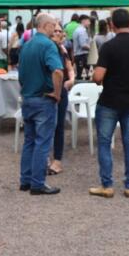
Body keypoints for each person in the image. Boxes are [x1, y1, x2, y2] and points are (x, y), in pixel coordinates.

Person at [90, 9, 129, 198]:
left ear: (112, 25)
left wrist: (95, 77)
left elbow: (98, 77)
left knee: (105, 143)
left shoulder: (109, 47)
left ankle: (107, 185)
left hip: (109, 101)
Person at [18, 13, 63, 195]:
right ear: (45, 25)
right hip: (43, 99)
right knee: (42, 142)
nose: (55, 29)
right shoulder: (48, 45)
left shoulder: (26, 45)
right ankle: (37, 183)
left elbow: (21, 75)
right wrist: (57, 93)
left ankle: (25, 180)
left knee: (29, 141)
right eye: (53, 25)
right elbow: (58, 72)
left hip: (27, 98)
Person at [48, 22, 75, 175]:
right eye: (55, 30)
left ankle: (57, 160)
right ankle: (45, 158)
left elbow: (70, 69)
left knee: (59, 125)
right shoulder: (47, 48)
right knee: (46, 126)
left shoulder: (63, 50)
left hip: (61, 91)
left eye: (60, 31)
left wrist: (71, 80)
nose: (58, 33)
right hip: (48, 91)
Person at [72, 15, 91, 79]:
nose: (89, 23)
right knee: (82, 75)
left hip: (78, 56)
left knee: (81, 74)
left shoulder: (77, 30)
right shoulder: (82, 31)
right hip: (81, 56)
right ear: (83, 21)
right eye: (88, 21)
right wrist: (92, 49)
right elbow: (83, 45)